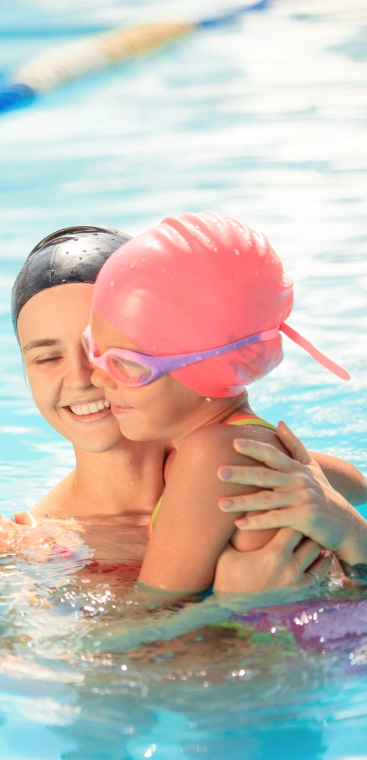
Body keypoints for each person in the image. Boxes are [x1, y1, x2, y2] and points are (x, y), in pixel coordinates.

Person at [0, 225, 365, 592]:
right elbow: (57, 668)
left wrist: (343, 523)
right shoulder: (24, 549)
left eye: (109, 353)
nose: (87, 377)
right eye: (47, 358)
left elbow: (354, 494)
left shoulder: (233, 461)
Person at [87, 212, 351, 593]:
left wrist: (226, 605)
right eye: (93, 347)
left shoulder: (210, 456)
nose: (96, 377)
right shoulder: (256, 444)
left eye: (124, 364)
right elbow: (355, 485)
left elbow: (146, 618)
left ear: (205, 368)